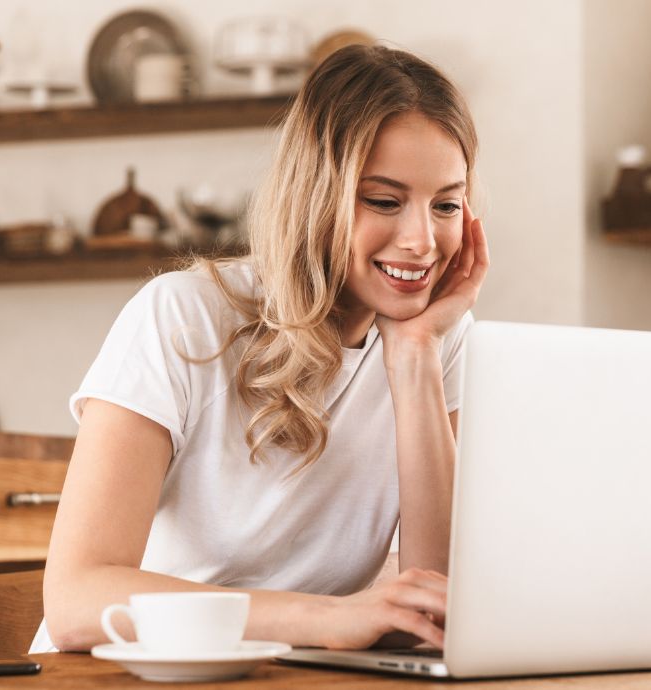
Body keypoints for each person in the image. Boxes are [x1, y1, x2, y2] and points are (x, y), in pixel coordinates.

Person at [32, 44, 488, 653]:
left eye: (446, 205)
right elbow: (76, 601)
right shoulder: (182, 316)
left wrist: (413, 358)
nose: (422, 240)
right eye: (383, 200)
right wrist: (328, 619)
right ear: (316, 195)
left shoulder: (435, 339)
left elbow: (439, 609)